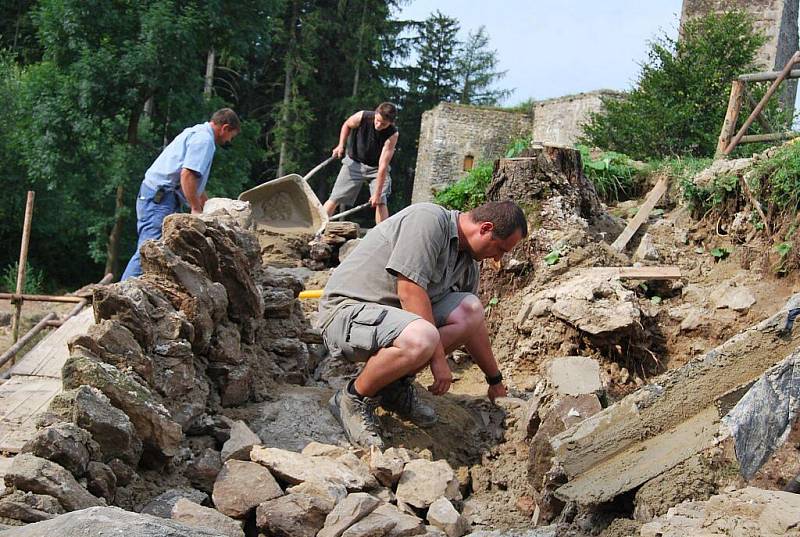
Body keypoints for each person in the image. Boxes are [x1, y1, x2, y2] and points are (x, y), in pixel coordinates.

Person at [318, 200, 528, 449]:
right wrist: (438, 359)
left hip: (396, 326)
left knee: (470, 308)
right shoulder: (427, 220)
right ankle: (352, 398)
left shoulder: (467, 262)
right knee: (424, 337)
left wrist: (495, 381)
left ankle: (392, 388)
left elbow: (474, 326)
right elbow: (409, 290)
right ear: (485, 228)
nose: (498, 258)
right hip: (348, 315)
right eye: (500, 249)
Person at [121, 108, 240, 281]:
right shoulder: (204, 140)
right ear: (225, 128)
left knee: (158, 251)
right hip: (160, 200)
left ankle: (133, 297)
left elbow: (194, 182)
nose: (229, 140)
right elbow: (187, 175)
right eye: (232, 136)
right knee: (150, 250)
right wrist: (196, 209)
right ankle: (119, 299)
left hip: (157, 196)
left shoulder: (196, 132)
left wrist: (208, 205)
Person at [323, 102, 399, 225]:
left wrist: (377, 194)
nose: (378, 125)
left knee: (381, 201)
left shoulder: (392, 134)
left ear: (391, 122)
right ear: (376, 113)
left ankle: (384, 236)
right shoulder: (363, 116)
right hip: (354, 163)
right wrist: (341, 145)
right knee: (335, 197)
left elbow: (383, 166)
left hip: (376, 169)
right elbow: (347, 124)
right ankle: (317, 231)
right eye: (377, 120)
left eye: (383, 124)